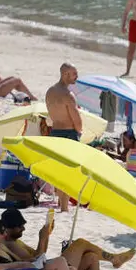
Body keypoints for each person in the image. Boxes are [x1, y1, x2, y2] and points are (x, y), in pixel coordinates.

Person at [0, 208, 134, 270]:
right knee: (80, 243)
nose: (23, 228)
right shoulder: (9, 244)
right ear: (8, 228)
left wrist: (47, 235)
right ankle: (114, 259)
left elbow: (38, 254)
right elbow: (35, 262)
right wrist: (42, 237)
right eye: (19, 226)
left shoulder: (14, 241)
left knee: (91, 257)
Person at [45, 63, 82, 210]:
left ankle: (61, 202)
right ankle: (64, 208)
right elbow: (77, 122)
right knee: (68, 172)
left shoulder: (50, 91)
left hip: (55, 132)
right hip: (68, 133)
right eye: (74, 74)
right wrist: (79, 131)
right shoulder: (68, 95)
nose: (77, 77)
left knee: (59, 171)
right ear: (65, 74)